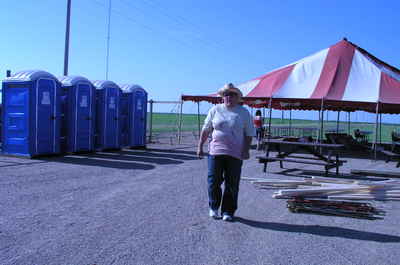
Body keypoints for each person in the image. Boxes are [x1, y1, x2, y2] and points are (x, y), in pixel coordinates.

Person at [197, 83, 256, 222]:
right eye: (226, 94)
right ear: (223, 97)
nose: (229, 97)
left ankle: (228, 211)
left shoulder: (243, 112)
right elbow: (206, 129)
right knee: (213, 180)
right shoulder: (215, 110)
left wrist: (246, 150)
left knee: (232, 183)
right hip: (215, 151)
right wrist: (200, 146)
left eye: (232, 94)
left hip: (235, 153)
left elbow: (249, 133)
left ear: (237, 97)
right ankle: (214, 207)